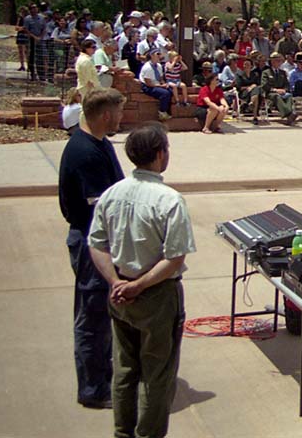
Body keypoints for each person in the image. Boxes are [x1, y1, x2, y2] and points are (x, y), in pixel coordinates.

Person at [88, 123, 195, 438]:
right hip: (156, 296)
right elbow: (175, 258)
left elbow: (96, 244)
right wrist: (139, 286)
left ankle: (123, 433)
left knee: (124, 371)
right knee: (156, 375)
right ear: (161, 155)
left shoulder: (112, 193)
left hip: (120, 294)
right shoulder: (169, 200)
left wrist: (116, 282)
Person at [57, 88, 126, 410]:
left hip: (100, 241)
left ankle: (101, 379)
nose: (121, 118)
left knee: (100, 316)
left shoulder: (100, 144)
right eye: (119, 113)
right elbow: (101, 207)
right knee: (92, 318)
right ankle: (93, 390)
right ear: (105, 115)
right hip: (91, 244)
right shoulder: (84, 153)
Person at [75, 37, 101, 102]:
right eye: (93, 47)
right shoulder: (85, 61)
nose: (95, 49)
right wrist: (93, 92)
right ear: (86, 48)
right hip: (87, 90)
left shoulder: (85, 59)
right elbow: (89, 81)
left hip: (86, 89)